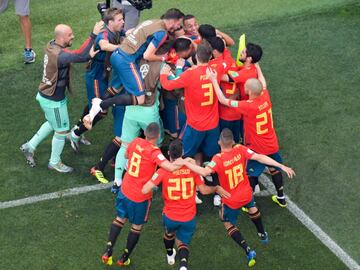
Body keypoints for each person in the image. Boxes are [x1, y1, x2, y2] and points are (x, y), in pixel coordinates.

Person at [180, 128, 295, 267]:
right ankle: (262, 233)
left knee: (227, 222)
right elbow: (260, 157)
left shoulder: (218, 159)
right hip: (246, 192)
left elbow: (204, 172)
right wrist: (281, 165)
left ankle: (248, 250)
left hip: (231, 198)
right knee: (252, 208)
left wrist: (186, 163)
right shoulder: (240, 149)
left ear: (219, 142)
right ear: (233, 141)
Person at [19, 21, 103, 172]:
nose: (73, 36)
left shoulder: (51, 45)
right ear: (61, 37)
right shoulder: (60, 56)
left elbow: (81, 56)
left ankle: (29, 146)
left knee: (52, 123)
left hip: (46, 96)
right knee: (62, 130)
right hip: (53, 101)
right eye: (70, 35)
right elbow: (80, 55)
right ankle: (54, 162)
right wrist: (93, 34)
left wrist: (86, 56)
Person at [91, 40, 174, 185]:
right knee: (155, 145)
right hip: (148, 111)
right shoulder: (163, 66)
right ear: (164, 53)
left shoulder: (136, 61)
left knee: (124, 144)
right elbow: (171, 84)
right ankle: (150, 178)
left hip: (131, 108)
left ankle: (117, 181)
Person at [101, 123, 183, 267]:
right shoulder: (155, 152)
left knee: (120, 219)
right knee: (136, 226)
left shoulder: (136, 142)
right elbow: (170, 167)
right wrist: (186, 162)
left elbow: (127, 154)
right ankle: (124, 257)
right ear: (157, 137)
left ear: (145, 133)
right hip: (140, 197)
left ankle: (108, 250)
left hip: (125, 189)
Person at [210, 69, 294, 207]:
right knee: (274, 169)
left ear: (249, 91)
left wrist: (213, 80)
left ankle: (250, 202)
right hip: (271, 143)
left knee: (247, 174)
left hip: (257, 146)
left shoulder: (248, 106)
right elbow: (263, 82)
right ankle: (281, 197)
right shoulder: (265, 96)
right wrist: (257, 66)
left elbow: (223, 100)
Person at [142, 139, 230, 270]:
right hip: (189, 216)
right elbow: (205, 190)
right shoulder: (192, 170)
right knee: (182, 243)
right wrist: (216, 188)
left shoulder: (162, 171)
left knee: (169, 234)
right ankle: (183, 266)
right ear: (183, 153)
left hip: (170, 215)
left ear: (168, 153)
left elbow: (145, 190)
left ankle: (170, 254)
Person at [88, 8, 184, 115]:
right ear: (173, 21)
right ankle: (101, 104)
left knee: (114, 89)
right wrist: (163, 58)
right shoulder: (162, 33)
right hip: (126, 60)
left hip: (117, 56)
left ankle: (84, 121)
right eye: (178, 24)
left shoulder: (151, 21)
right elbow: (147, 55)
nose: (178, 27)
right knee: (140, 98)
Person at [69, 8, 125, 152]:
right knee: (101, 110)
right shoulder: (104, 34)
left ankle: (77, 128)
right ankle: (75, 134)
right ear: (110, 22)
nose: (123, 22)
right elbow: (105, 45)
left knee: (93, 106)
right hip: (96, 77)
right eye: (120, 20)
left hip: (103, 75)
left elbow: (129, 34)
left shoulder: (117, 31)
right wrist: (121, 48)